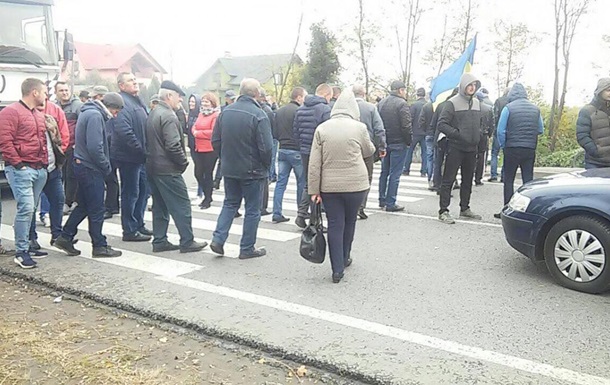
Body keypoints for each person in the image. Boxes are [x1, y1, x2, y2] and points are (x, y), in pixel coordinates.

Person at [308, 90, 375, 283]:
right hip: (356, 184)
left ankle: (337, 269)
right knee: (350, 221)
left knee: (335, 224)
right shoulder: (359, 127)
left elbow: (314, 163)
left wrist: (314, 190)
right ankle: (346, 256)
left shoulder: (322, 129)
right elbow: (369, 150)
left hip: (330, 186)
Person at [53, 93, 125, 258]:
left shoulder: (88, 112)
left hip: (82, 164)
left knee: (84, 205)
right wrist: (106, 167)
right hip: (91, 168)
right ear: (111, 106)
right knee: (97, 208)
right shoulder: (95, 116)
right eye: (116, 111)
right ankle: (99, 245)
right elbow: (95, 146)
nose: (116, 115)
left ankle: (66, 236)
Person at [209, 78, 273, 259]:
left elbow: (215, 141)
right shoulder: (259, 115)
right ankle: (246, 247)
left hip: (230, 168)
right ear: (256, 93)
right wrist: (266, 166)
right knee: (252, 210)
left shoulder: (225, 112)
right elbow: (266, 147)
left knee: (230, 204)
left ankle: (218, 239)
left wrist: (225, 158)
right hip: (253, 170)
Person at [145, 81, 207, 253]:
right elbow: (173, 145)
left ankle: (159, 240)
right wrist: (183, 162)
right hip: (167, 168)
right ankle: (187, 241)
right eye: (178, 96)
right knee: (182, 205)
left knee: (160, 205)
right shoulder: (169, 115)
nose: (180, 100)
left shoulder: (154, 112)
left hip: (153, 166)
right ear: (169, 96)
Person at [0, 79, 49, 268]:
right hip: (22, 169)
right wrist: (19, 165)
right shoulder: (11, 112)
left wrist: (44, 164)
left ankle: (27, 244)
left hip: (38, 168)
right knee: (26, 208)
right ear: (34, 92)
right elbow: (5, 141)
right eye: (44, 92)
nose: (46, 95)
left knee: (31, 209)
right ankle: (21, 252)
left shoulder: (38, 114)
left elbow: (42, 141)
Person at [437, 73, 483, 224]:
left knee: (468, 180)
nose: (472, 87)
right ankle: (443, 210)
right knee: (448, 180)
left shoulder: (477, 103)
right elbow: (442, 124)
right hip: (456, 147)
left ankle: (465, 208)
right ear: (463, 86)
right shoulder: (452, 103)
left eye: (475, 85)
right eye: (470, 85)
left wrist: (479, 134)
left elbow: (479, 123)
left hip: (472, 148)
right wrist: (456, 134)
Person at [493, 82, 544, 218]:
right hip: (529, 149)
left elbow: (500, 130)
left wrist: (504, 145)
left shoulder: (508, 108)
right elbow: (540, 129)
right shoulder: (535, 109)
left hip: (512, 148)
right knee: (528, 182)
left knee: (508, 180)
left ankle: (507, 210)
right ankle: (528, 212)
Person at [111, 72, 152, 242]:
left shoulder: (137, 101)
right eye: (130, 80)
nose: (135, 82)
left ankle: (138, 223)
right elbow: (124, 131)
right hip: (128, 157)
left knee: (143, 191)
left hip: (139, 157)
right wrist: (140, 150)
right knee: (131, 192)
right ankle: (129, 229)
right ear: (121, 85)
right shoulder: (122, 102)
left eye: (135, 79)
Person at [28, 98, 70, 254]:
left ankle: (57, 236)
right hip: (34, 168)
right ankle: (31, 238)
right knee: (30, 205)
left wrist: (60, 153)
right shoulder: (24, 115)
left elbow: (62, 135)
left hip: (52, 168)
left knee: (58, 201)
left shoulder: (53, 111)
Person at [293, 83, 332, 228]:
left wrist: (302, 145)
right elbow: (328, 133)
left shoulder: (301, 109)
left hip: (304, 150)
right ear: (326, 95)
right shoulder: (324, 109)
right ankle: (315, 221)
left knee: (308, 183)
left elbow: (295, 131)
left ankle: (302, 213)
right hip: (319, 151)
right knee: (319, 185)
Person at [272, 87, 307, 224]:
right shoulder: (299, 111)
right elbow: (300, 130)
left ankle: (277, 212)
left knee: (281, 183)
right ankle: (301, 212)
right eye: (304, 97)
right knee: (301, 182)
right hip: (296, 151)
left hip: (282, 150)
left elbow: (274, 132)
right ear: (298, 97)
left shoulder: (279, 111)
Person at [377, 80, 412, 212]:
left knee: (384, 172)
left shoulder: (381, 103)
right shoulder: (402, 104)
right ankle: (391, 202)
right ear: (400, 90)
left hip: (385, 142)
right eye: (404, 90)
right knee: (395, 174)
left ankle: (381, 199)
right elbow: (406, 125)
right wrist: (408, 141)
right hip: (398, 142)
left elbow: (378, 124)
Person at [353, 84, 386, 219]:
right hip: (367, 148)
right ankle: (360, 207)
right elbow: (379, 129)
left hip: (349, 147)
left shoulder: (346, 108)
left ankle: (350, 206)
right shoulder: (370, 108)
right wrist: (382, 147)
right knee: (366, 177)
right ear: (364, 94)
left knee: (350, 177)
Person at [55, 81, 83, 215]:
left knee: (72, 175)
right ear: (56, 93)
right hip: (60, 147)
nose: (65, 93)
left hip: (74, 146)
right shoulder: (55, 107)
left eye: (66, 90)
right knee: (62, 175)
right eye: (61, 91)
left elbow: (82, 126)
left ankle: (70, 201)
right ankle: (67, 201)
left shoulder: (78, 105)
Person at [192, 92, 220, 210]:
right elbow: (194, 126)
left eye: (206, 102)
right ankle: (206, 193)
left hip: (210, 149)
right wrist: (194, 131)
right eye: (203, 101)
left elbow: (213, 132)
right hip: (198, 147)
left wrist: (199, 133)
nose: (204, 104)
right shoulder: (201, 114)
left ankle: (207, 198)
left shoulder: (215, 115)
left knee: (207, 174)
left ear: (212, 103)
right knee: (198, 173)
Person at [576, 78, 610, 169]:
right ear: (600, 91)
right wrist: (596, 151)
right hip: (595, 163)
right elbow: (582, 136)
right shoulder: (587, 111)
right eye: (608, 90)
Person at [430, 88, 459, 192]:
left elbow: (433, 123)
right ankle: (446, 185)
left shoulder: (441, 105)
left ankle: (437, 183)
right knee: (450, 163)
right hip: (452, 139)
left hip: (439, 138)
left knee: (438, 161)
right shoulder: (457, 106)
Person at [214, 90, 239, 190]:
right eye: (230, 99)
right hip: (224, 139)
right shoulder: (223, 110)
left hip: (231, 139)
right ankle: (217, 179)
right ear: (226, 99)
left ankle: (218, 179)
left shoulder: (234, 109)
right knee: (222, 161)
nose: (232, 101)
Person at [403, 87, 427, 177]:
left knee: (409, 151)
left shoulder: (414, 105)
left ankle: (406, 169)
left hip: (414, 132)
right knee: (425, 152)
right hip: (425, 132)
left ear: (417, 95)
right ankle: (424, 171)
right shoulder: (428, 105)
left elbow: (410, 119)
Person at [489, 87, 511, 182]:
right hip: (509, 131)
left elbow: (494, 116)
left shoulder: (498, 101)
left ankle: (493, 175)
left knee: (494, 153)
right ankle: (503, 176)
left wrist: (493, 129)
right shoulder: (512, 102)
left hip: (498, 129)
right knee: (506, 153)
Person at [474, 88, 494, 186]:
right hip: (484, 135)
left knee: (471, 155)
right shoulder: (488, 108)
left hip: (473, 134)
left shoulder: (472, 108)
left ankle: (469, 175)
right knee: (481, 156)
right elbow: (492, 124)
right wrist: (489, 134)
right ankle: (478, 179)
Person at [186, 93, 203, 199]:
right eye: (190, 101)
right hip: (192, 146)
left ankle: (201, 191)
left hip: (200, 146)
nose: (191, 103)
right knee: (197, 170)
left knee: (201, 170)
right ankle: (200, 190)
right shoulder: (189, 115)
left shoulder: (201, 115)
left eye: (193, 101)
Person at [419, 99, 435, 188]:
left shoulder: (427, 106)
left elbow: (421, 121)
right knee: (437, 158)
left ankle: (430, 179)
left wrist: (425, 131)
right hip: (437, 134)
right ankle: (434, 178)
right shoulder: (441, 105)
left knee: (429, 157)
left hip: (429, 134)